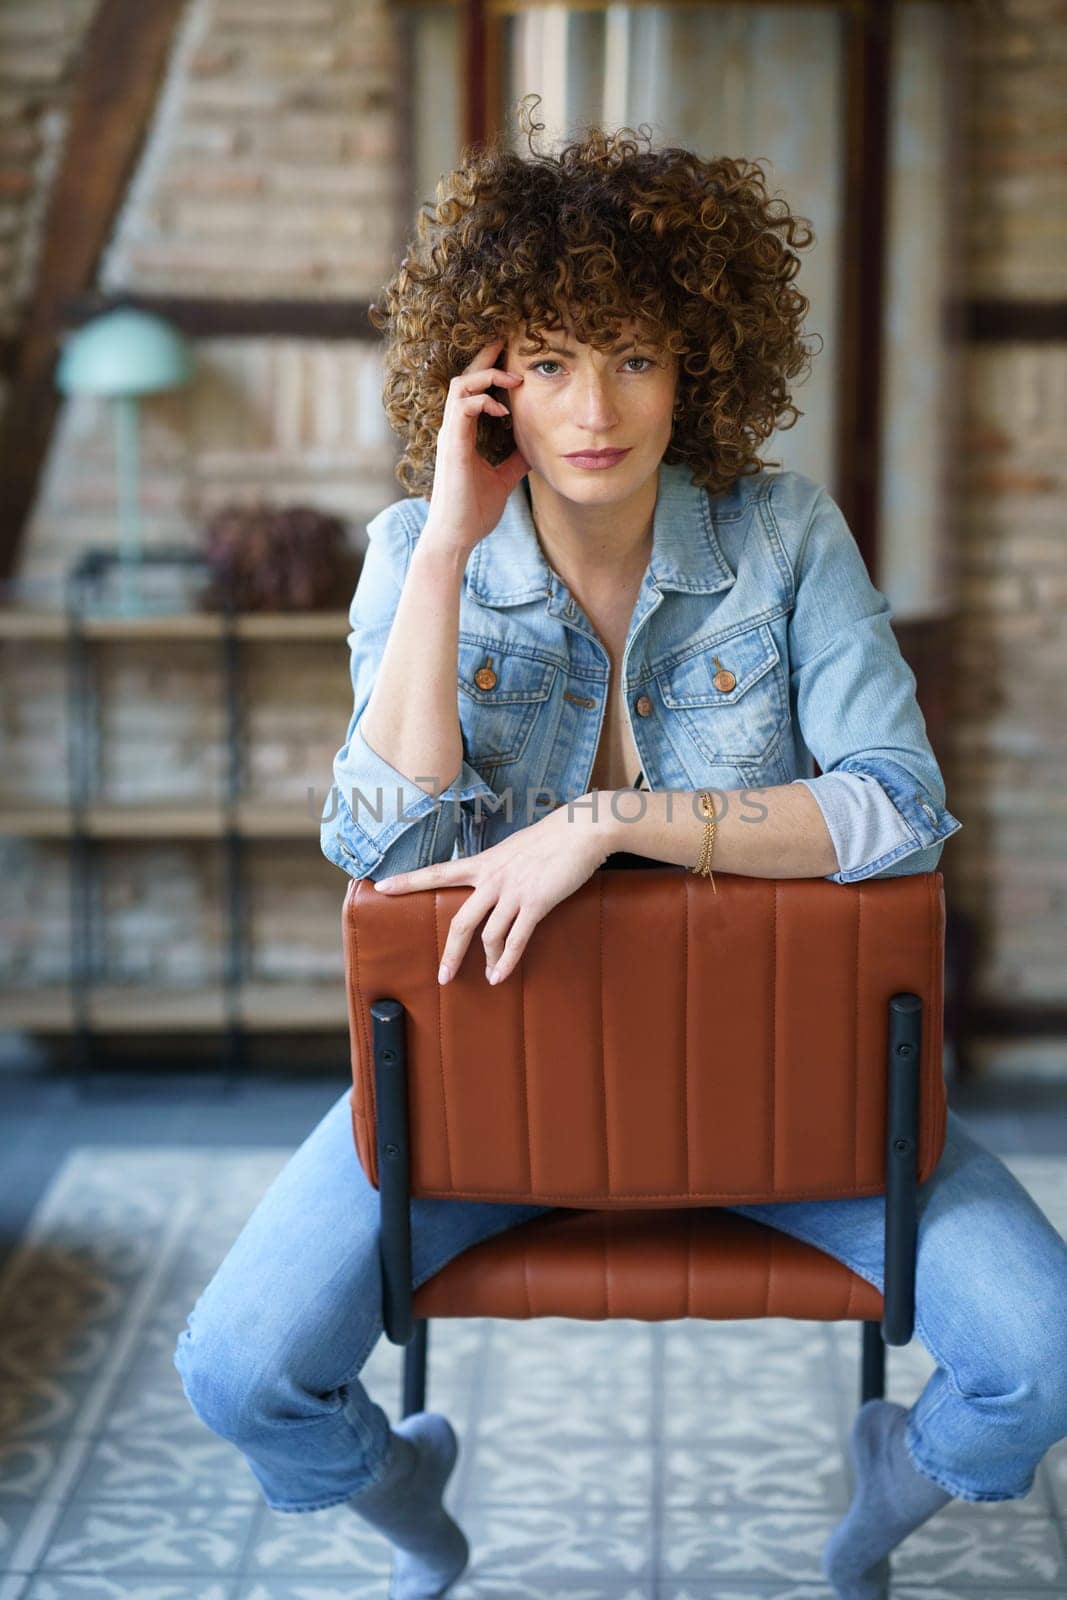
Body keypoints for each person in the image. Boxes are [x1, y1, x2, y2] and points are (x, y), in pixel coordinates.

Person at [174, 100, 1067, 1600]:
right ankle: (418, 1505)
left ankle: (878, 1505)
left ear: (696, 363)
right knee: (240, 1374)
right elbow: (380, 845)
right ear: (484, 380)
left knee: (1042, 1361)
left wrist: (606, 821)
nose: (597, 408)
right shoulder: (413, 555)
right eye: (550, 359)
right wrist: (451, 551)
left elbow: (898, 806)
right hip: (486, 1101)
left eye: (637, 355)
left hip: (795, 1096)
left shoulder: (784, 540)